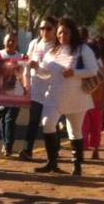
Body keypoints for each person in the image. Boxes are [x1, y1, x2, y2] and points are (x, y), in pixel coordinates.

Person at [31, 18, 99, 175]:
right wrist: (38, 68)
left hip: (77, 97)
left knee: (75, 131)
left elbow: (93, 70)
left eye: (65, 32)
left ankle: (77, 166)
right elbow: (46, 74)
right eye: (60, 32)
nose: (62, 35)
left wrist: (74, 73)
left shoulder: (83, 50)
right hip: (54, 96)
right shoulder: (52, 52)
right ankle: (52, 163)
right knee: (47, 123)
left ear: (72, 33)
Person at [18, 17, 57, 161]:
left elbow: (52, 72)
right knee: (33, 121)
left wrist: (38, 68)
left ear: (54, 30)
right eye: (42, 28)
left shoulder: (57, 48)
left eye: (48, 28)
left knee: (50, 123)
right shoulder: (34, 44)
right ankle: (28, 150)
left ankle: (53, 154)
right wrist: (25, 82)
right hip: (35, 89)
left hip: (51, 89)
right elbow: (26, 64)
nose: (44, 31)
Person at [82, 35, 104, 160]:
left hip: (93, 100)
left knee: (88, 126)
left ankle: (88, 148)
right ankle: (91, 148)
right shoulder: (98, 63)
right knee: (93, 126)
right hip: (94, 100)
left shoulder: (94, 63)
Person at [0, 31, 26, 157]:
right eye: (9, 40)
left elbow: (25, 74)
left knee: (10, 119)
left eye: (13, 41)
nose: (11, 43)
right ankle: (6, 143)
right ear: (4, 42)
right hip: (1, 91)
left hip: (16, 93)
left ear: (17, 43)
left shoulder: (22, 56)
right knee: (3, 119)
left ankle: (8, 145)